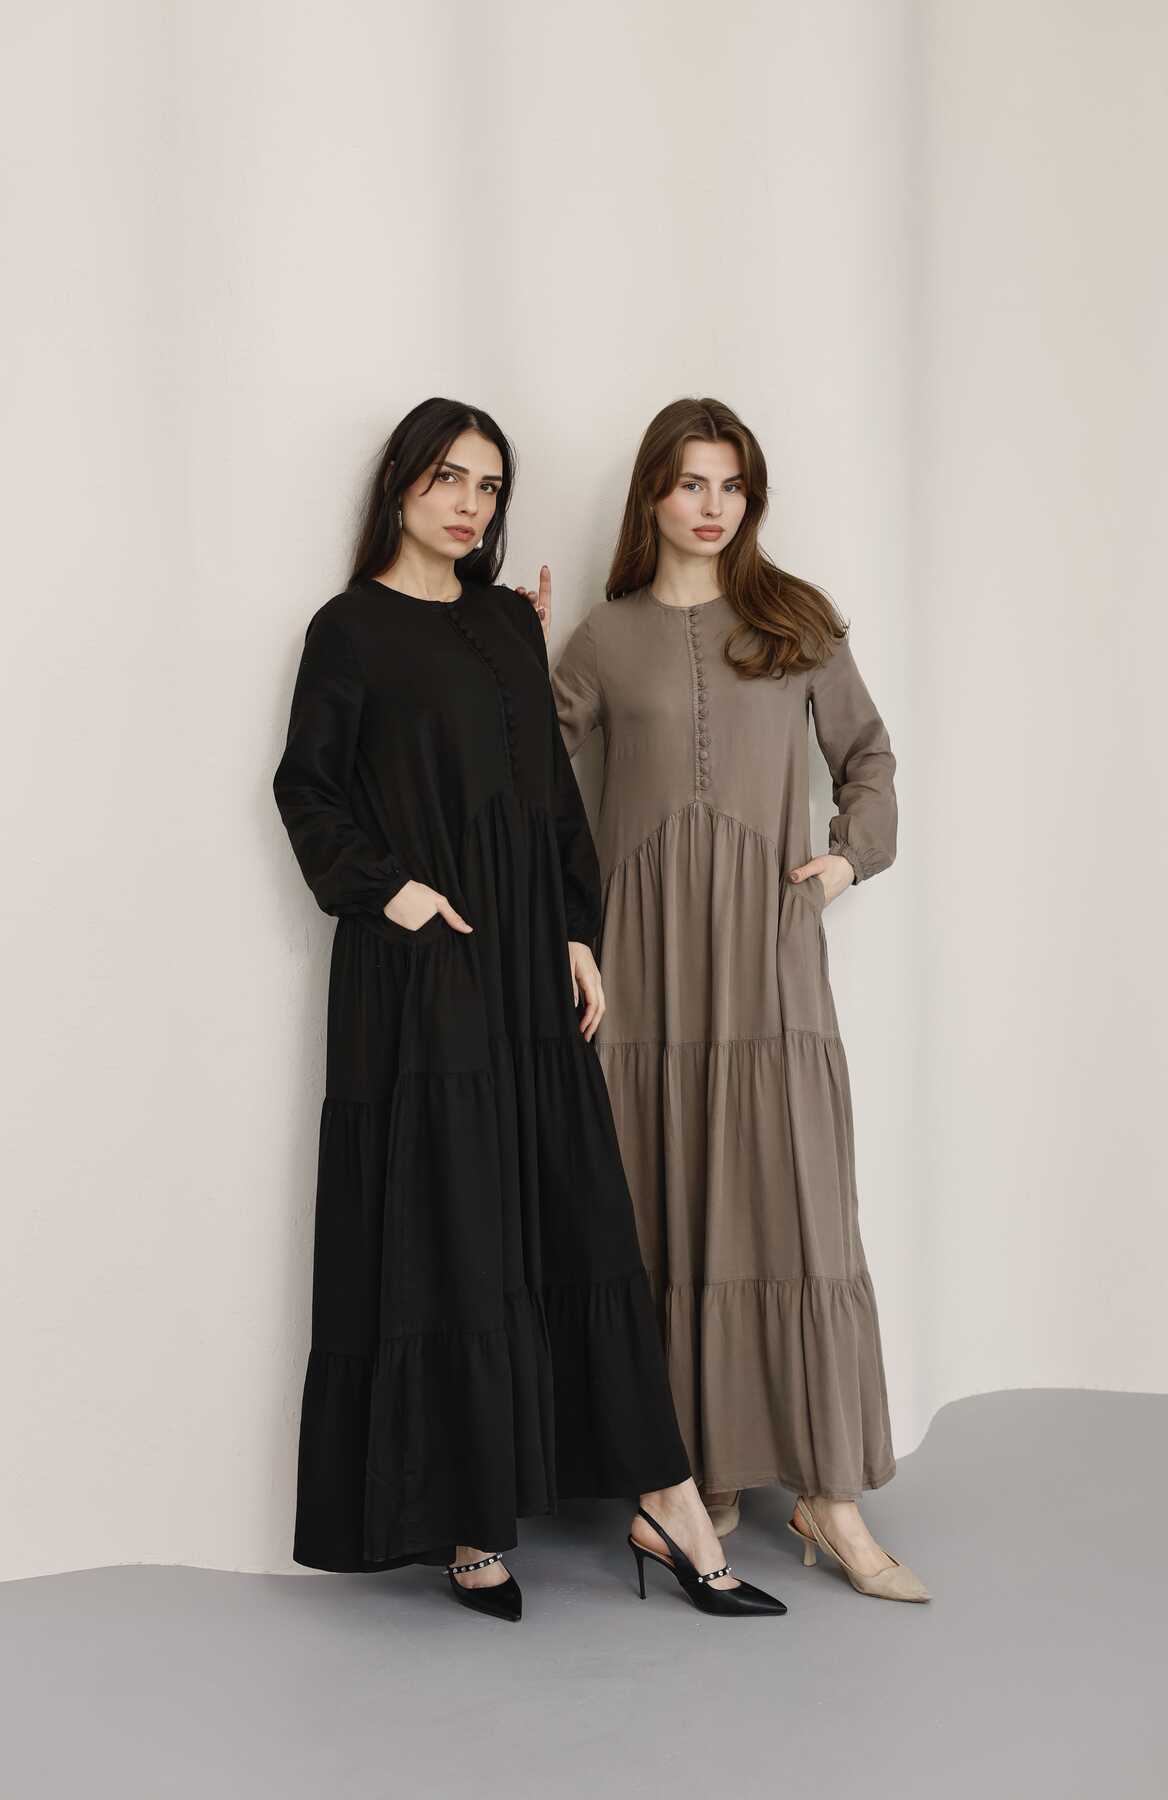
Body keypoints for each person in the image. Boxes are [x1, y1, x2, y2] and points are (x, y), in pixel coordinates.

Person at [271, 396, 786, 1622]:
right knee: (453, 1226)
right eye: (449, 477)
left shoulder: (508, 621)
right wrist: (390, 892)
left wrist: (574, 931)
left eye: (490, 485)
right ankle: (470, 1524)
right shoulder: (347, 629)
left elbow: (548, 793)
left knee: (578, 1216)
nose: (469, 503)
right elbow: (307, 789)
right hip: (418, 972)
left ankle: (668, 1502)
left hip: (523, 967)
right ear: (401, 483)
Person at [522, 396, 929, 1602]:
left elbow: (868, 757)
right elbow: (528, 774)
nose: (711, 505)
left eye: (731, 484)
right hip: (641, 962)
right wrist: (512, 654)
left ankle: (828, 1498)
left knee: (793, 1208)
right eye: (690, 482)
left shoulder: (794, 622)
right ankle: (693, 1477)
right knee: (661, 1203)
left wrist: (847, 857)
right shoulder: (603, 637)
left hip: (763, 944)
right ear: (652, 494)